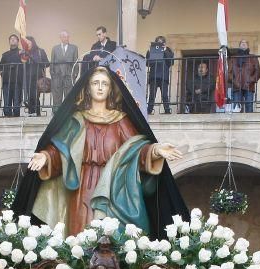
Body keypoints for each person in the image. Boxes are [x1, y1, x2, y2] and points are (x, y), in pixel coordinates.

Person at [21, 66, 185, 236]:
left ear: (110, 89)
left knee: (112, 238)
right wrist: (46, 157)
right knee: (80, 236)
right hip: (82, 187)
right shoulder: (76, 120)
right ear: (88, 88)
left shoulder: (121, 120)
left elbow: (137, 150)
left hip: (113, 186)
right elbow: (61, 150)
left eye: (105, 84)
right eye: (95, 83)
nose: (100, 87)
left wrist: (155, 150)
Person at [229, 39, 260, 113]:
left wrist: (251, 80)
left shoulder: (253, 58)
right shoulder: (233, 58)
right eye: (242, 42)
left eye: (245, 42)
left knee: (249, 107)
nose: (243, 44)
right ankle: (236, 124)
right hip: (236, 86)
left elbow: (258, 72)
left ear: (248, 45)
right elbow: (229, 73)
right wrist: (234, 81)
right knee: (236, 108)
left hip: (249, 85)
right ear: (239, 45)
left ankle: (250, 124)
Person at [50, 30, 79, 108]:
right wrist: (52, 73)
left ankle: (67, 112)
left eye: (67, 36)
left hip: (69, 74)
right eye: (63, 36)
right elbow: (52, 61)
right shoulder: (55, 48)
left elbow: (76, 61)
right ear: (60, 38)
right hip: (57, 75)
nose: (66, 38)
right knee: (57, 95)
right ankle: (56, 111)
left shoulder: (74, 48)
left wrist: (75, 73)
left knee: (69, 94)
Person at [146, 36, 174, 115]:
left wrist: (164, 50)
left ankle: (167, 111)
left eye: (161, 42)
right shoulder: (153, 50)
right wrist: (149, 51)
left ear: (164, 43)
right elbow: (147, 63)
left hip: (163, 76)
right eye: (158, 42)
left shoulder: (168, 51)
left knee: (164, 95)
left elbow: (171, 62)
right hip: (153, 76)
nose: (160, 43)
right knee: (152, 95)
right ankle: (149, 111)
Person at [0, 34, 25, 117]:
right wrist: (1, 72)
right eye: (11, 39)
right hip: (7, 81)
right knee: (7, 103)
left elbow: (25, 64)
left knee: (17, 103)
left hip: (18, 80)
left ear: (18, 41)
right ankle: (8, 117)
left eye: (14, 39)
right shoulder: (5, 54)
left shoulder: (22, 53)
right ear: (9, 42)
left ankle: (16, 117)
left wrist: (20, 54)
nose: (12, 40)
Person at [23, 36, 49, 116]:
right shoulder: (24, 52)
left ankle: (36, 112)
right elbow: (21, 64)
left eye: (29, 42)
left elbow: (47, 63)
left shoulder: (40, 51)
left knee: (35, 95)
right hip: (27, 77)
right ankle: (31, 112)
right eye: (26, 43)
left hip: (38, 76)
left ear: (33, 42)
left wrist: (38, 61)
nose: (28, 44)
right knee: (29, 95)